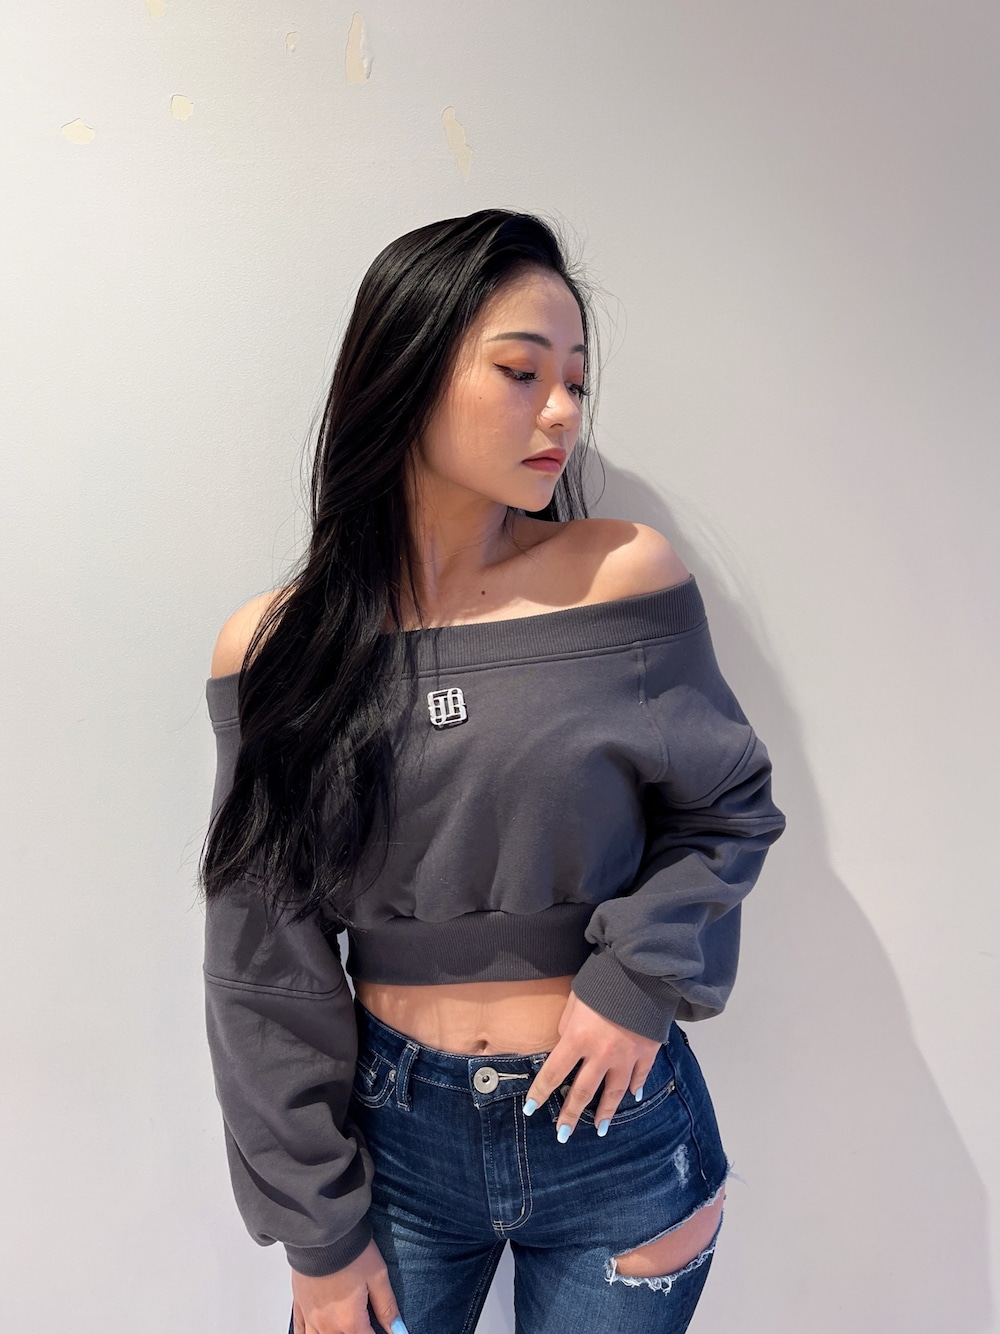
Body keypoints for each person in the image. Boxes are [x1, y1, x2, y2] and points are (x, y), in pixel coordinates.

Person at [200, 208, 786, 1334]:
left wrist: (636, 983)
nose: (561, 410)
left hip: (618, 1130)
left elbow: (726, 811)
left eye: (575, 380)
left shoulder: (620, 576)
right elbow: (260, 960)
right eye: (522, 372)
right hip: (393, 1144)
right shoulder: (277, 648)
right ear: (405, 370)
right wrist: (317, 1230)